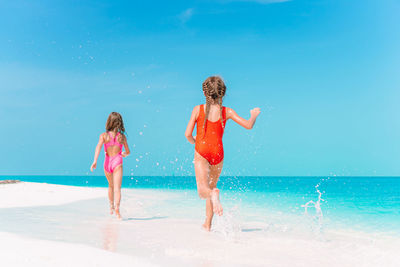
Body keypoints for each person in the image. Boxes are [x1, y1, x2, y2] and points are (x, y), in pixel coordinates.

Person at [185, 76, 261, 231]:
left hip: (202, 151)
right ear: (222, 93)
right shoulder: (227, 111)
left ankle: (211, 209)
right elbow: (248, 125)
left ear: (205, 92)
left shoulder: (197, 109)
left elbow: (187, 134)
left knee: (203, 191)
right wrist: (253, 115)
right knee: (211, 188)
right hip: (218, 154)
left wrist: (196, 143)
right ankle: (208, 224)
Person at [91, 112, 130, 219]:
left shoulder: (104, 136)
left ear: (109, 122)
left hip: (107, 162)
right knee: (117, 188)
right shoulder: (122, 137)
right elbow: (128, 151)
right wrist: (124, 155)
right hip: (117, 162)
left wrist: (95, 161)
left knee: (111, 186)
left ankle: (111, 206)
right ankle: (117, 209)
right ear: (119, 122)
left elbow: (98, 147)